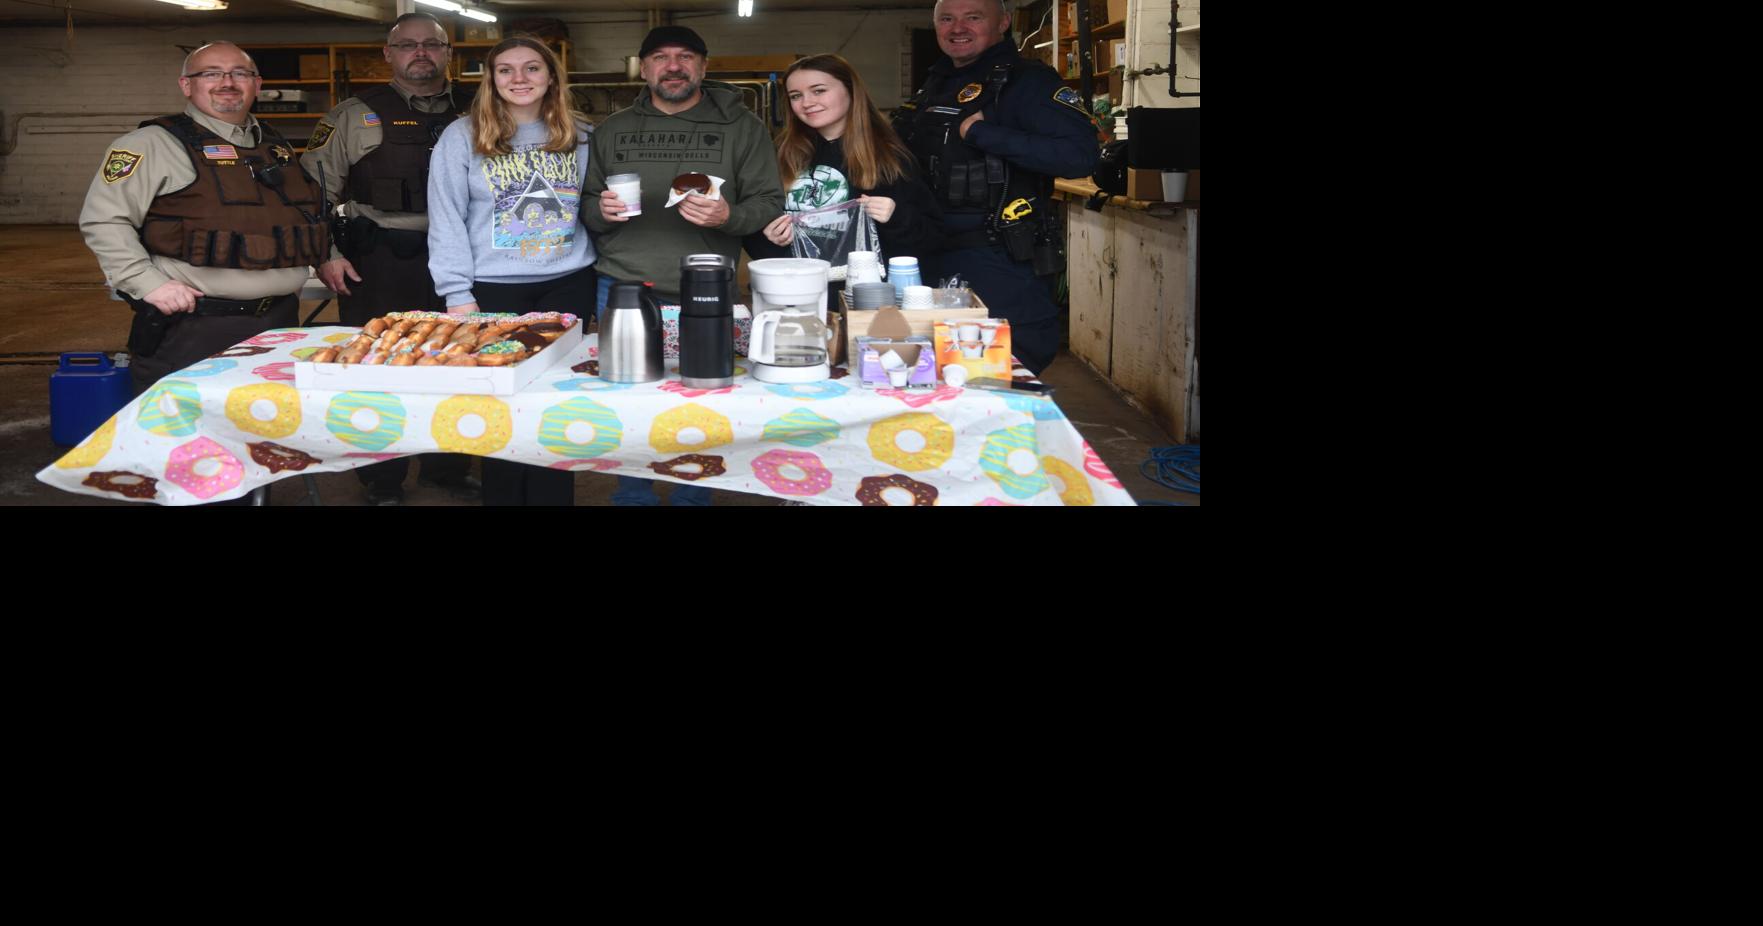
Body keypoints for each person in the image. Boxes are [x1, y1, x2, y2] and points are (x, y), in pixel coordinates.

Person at [582, 25, 785, 507]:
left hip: (705, 282)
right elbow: (586, 205)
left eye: (685, 56)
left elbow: (769, 202)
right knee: (628, 402)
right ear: (644, 68)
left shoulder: (743, 128)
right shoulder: (612, 130)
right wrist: (600, 211)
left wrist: (729, 216)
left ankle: (693, 498)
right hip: (624, 283)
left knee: (703, 403)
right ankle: (632, 496)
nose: (673, 66)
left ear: (704, 66)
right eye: (660, 57)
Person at [80, 42, 326, 396]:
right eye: (211, 74)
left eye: (240, 73)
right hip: (196, 326)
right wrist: (147, 283)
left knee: (272, 420)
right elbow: (104, 220)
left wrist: (328, 256)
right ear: (186, 85)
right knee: (188, 425)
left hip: (281, 321)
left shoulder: (273, 145)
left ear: (257, 85)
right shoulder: (151, 144)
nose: (227, 83)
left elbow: (306, 212)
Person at [303, 11, 479, 505]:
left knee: (460, 365)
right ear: (388, 54)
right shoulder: (351, 115)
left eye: (431, 44)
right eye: (407, 45)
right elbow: (311, 194)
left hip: (467, 261)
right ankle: (381, 478)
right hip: (381, 258)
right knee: (376, 370)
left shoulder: (482, 106)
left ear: (448, 53)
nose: (420, 53)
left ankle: (448, 467)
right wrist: (326, 255)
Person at [427, 35, 598, 506]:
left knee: (555, 402)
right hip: (492, 289)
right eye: (506, 69)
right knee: (497, 402)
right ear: (491, 79)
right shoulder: (461, 136)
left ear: (551, 77)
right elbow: (446, 217)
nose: (519, 79)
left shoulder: (582, 135)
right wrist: (456, 293)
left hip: (567, 283)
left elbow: (594, 208)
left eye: (532, 68)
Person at [892, 0, 1100, 375]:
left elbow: (1080, 156)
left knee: (998, 373)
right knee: (931, 371)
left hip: (997, 260)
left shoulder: (1028, 82)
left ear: (1003, 22)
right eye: (947, 19)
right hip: (931, 255)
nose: (958, 28)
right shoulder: (937, 82)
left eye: (973, 17)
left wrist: (983, 133)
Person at [746, 54, 942, 285]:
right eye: (796, 96)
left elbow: (933, 239)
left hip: (866, 296)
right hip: (794, 291)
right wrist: (768, 239)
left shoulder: (889, 158)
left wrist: (897, 217)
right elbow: (750, 226)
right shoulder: (778, 154)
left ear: (850, 90)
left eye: (819, 91)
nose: (806, 102)